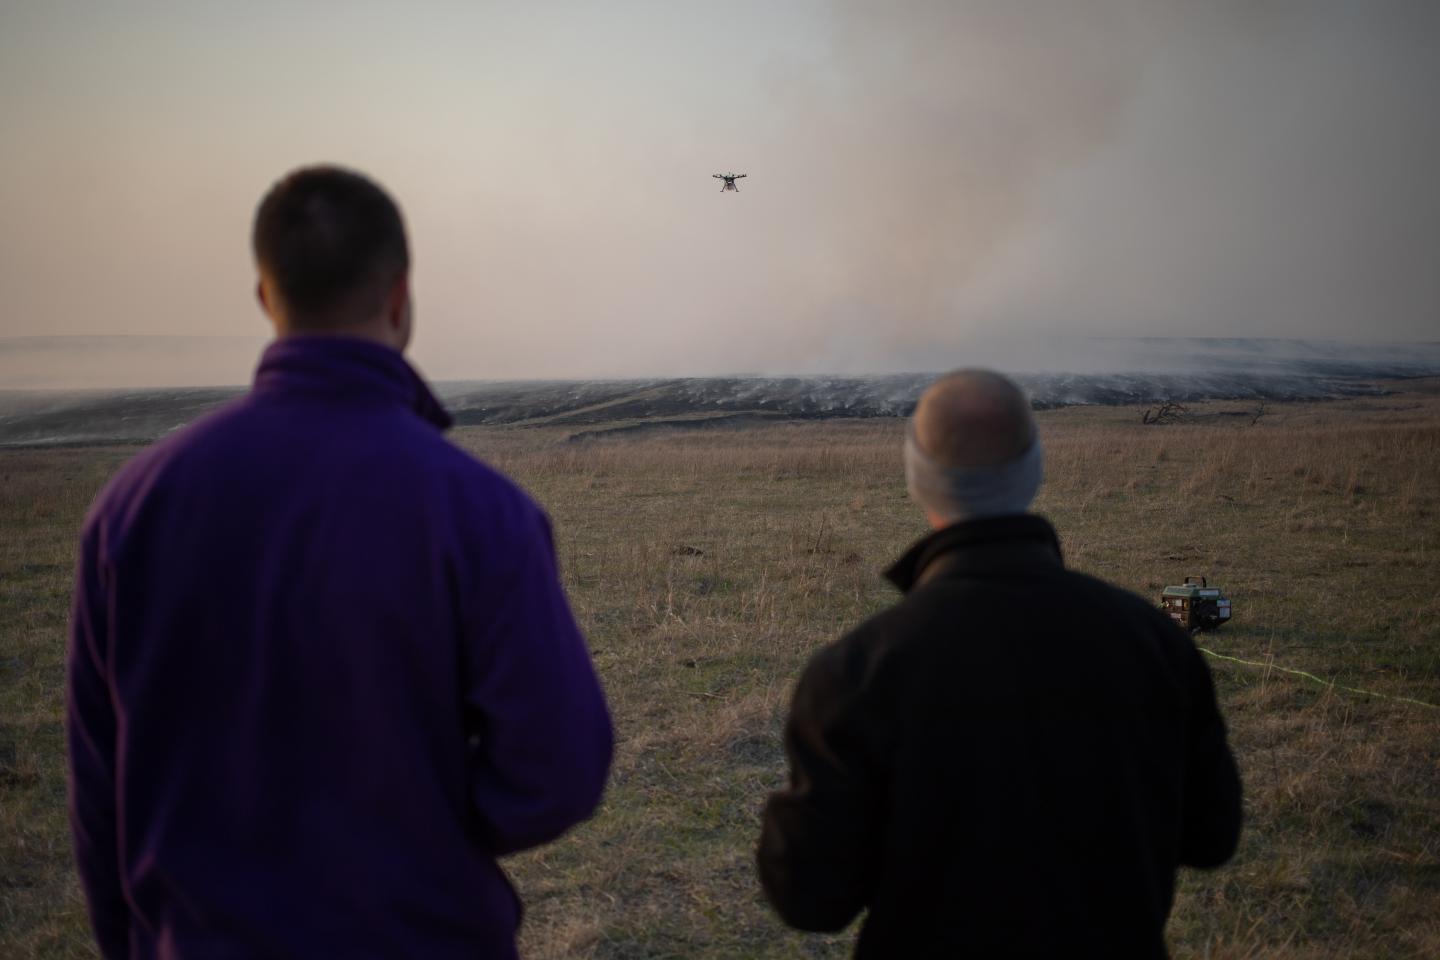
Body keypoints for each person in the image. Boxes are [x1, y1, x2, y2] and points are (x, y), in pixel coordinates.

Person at [67, 166, 613, 959]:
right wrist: (426, 831)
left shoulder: (130, 508)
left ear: (265, 298)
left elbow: (101, 791)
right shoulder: (481, 512)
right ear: (400, 296)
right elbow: (559, 772)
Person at [757, 369, 1242, 958]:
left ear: (917, 476)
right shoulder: (1155, 643)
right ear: (1036, 467)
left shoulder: (855, 671)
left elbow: (809, 899)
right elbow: (1213, 837)